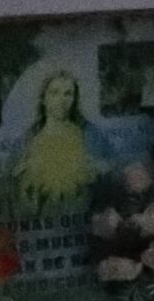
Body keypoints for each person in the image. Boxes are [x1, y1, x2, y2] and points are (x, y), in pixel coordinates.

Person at [10, 69, 97, 216]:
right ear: (44, 99)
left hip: (81, 216)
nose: (61, 100)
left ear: (74, 99)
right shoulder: (28, 140)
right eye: (54, 93)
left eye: (68, 94)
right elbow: (20, 194)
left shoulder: (89, 134)